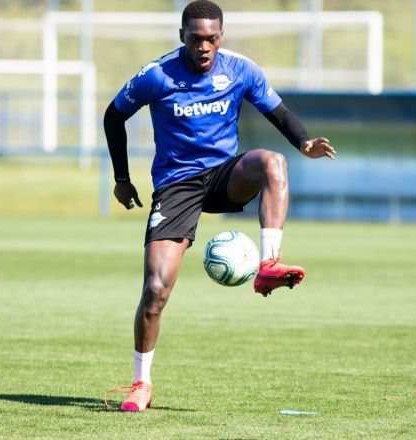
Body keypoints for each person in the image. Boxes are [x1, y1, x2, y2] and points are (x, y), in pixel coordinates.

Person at [103, 0, 336, 412]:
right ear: (182, 38)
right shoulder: (156, 76)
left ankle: (267, 266)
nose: (204, 47)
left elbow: (276, 111)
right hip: (177, 186)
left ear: (221, 37)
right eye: (196, 39)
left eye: (211, 38)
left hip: (226, 175)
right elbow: (112, 116)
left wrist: (303, 141)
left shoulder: (240, 69)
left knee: (273, 162)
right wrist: (122, 179)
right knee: (155, 290)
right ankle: (141, 384)